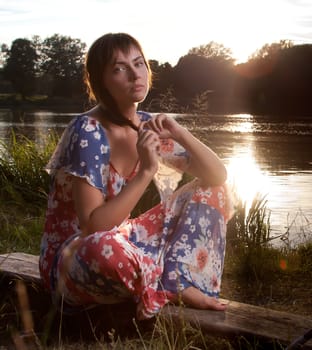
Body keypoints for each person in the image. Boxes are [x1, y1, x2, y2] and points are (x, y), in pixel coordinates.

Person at [39, 32, 233, 320]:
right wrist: (146, 171)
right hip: (77, 257)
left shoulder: (147, 126)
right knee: (105, 249)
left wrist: (180, 132)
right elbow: (93, 226)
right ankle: (165, 278)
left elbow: (217, 175)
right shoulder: (88, 131)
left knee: (215, 190)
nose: (134, 74)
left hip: (123, 240)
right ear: (100, 81)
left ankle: (178, 279)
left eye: (139, 63)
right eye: (119, 68)